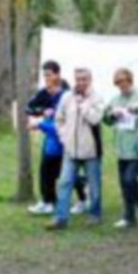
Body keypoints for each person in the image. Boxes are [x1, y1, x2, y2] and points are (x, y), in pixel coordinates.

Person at [46, 68, 105, 230]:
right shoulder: (66, 97)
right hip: (70, 149)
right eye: (78, 79)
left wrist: (83, 105)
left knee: (94, 185)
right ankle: (60, 218)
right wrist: (64, 137)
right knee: (64, 182)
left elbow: (95, 119)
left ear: (90, 80)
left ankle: (95, 214)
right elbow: (59, 119)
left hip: (91, 150)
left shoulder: (97, 98)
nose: (80, 82)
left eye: (84, 79)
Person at [25, 60, 87, 215]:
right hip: (51, 138)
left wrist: (41, 123)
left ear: (57, 75)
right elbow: (30, 108)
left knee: (67, 173)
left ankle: (83, 197)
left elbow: (64, 120)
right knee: (47, 171)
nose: (46, 78)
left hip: (64, 139)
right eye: (44, 75)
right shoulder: (44, 92)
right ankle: (48, 201)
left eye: (49, 75)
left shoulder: (66, 94)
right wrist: (42, 110)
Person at [103, 68, 138, 228]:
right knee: (124, 184)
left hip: (137, 148)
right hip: (122, 148)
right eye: (118, 83)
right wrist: (111, 115)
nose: (121, 86)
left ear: (130, 80)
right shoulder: (115, 99)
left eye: (123, 82)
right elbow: (106, 119)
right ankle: (129, 217)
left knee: (130, 179)